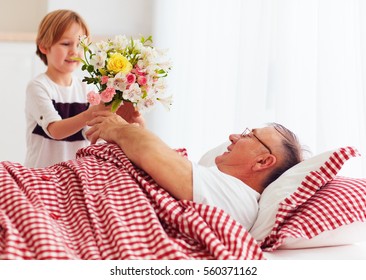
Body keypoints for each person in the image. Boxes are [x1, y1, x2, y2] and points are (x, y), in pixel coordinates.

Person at [85, 112, 303, 230]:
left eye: (249, 135)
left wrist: (120, 128)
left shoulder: (240, 197)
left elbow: (152, 154)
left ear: (263, 161)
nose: (234, 136)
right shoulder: (218, 182)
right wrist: (135, 133)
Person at [24, 9, 144, 168]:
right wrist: (89, 114)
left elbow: (95, 134)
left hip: (76, 176)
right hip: (42, 177)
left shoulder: (86, 87)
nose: (74, 51)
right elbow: (55, 131)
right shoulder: (38, 87)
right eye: (66, 44)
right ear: (44, 47)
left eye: (80, 45)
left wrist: (130, 122)